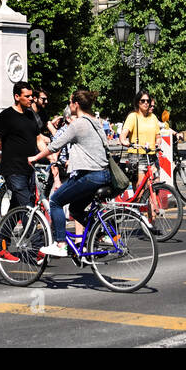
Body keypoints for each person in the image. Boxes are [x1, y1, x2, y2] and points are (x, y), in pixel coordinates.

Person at [31, 89, 111, 257]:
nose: (69, 105)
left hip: (89, 176)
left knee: (55, 201)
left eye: (69, 102)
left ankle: (60, 244)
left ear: (76, 104)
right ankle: (100, 234)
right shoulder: (97, 122)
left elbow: (55, 145)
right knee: (75, 209)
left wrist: (35, 157)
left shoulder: (78, 124)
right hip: (104, 175)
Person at [0, 81, 46, 260]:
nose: (31, 99)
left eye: (32, 96)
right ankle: (39, 248)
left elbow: (38, 139)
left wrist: (52, 156)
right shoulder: (6, 116)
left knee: (16, 208)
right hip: (13, 170)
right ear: (17, 97)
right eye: (27, 96)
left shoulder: (31, 115)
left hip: (28, 169)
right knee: (27, 208)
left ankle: (1, 247)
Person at [120, 91, 161, 158]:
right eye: (143, 101)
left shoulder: (153, 117)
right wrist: (125, 142)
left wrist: (158, 143)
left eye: (148, 101)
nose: (146, 103)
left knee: (155, 168)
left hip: (152, 155)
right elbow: (123, 135)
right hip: (137, 156)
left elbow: (158, 136)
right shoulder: (133, 116)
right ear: (137, 102)